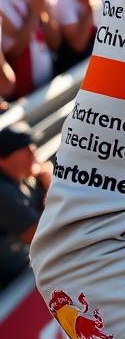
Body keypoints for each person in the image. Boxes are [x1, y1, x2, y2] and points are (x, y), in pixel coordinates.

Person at [0, 0, 61, 98]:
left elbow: (55, 43)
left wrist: (42, 12)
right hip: (22, 92)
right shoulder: (2, 3)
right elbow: (15, 51)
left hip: (47, 83)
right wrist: (34, 13)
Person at [0, 121, 50, 288]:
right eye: (23, 148)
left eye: (32, 144)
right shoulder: (3, 192)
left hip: (25, 272)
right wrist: (51, 187)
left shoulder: (28, 175)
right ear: (2, 159)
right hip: (10, 290)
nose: (32, 151)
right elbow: (41, 237)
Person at [53, 0, 104, 73]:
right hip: (69, 71)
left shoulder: (95, 0)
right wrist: (90, 9)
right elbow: (78, 45)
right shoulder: (64, 2)